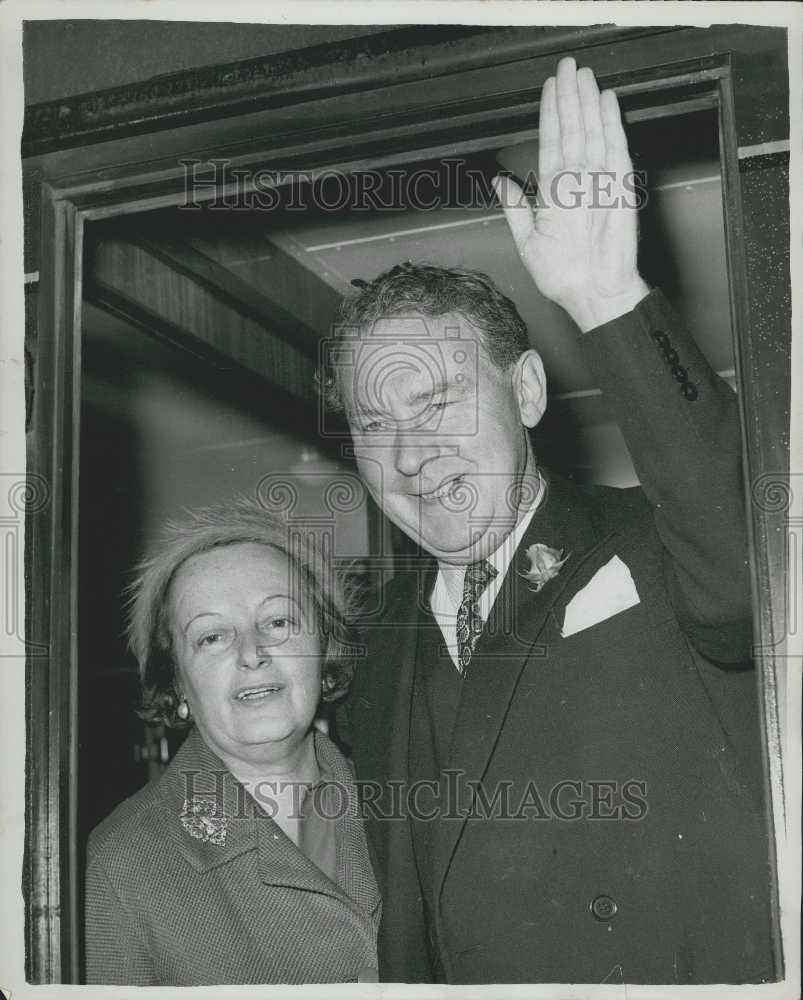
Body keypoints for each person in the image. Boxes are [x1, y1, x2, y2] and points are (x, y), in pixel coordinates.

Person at [321, 58, 775, 983]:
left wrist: (608, 299)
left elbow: (750, 569)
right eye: (376, 424)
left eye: (439, 403)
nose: (410, 457)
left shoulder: (654, 541)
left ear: (527, 392)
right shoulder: (379, 650)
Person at [84, 499, 380, 985]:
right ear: (176, 684)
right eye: (212, 637)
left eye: (279, 622)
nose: (252, 653)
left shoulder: (403, 793)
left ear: (324, 650)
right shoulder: (123, 864)